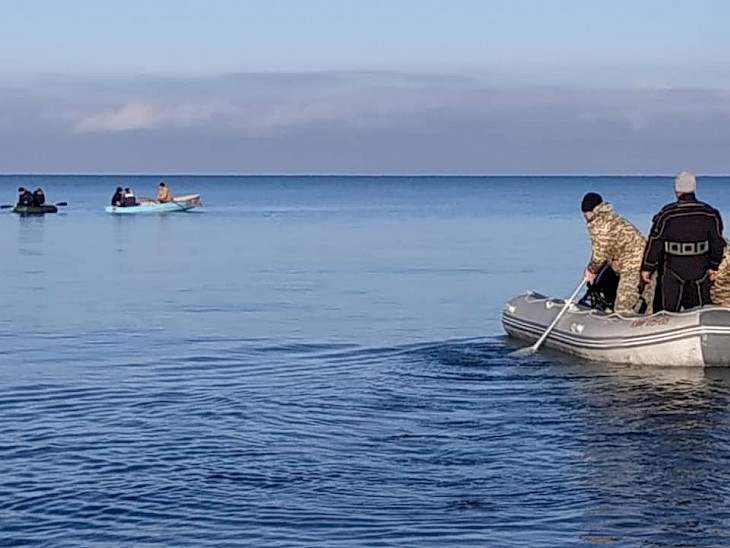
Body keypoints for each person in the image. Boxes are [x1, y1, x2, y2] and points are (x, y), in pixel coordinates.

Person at [641, 171, 725, 312]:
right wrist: (714, 266)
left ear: (677, 191)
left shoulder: (667, 214)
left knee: (668, 311)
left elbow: (655, 242)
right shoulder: (710, 213)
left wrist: (647, 267)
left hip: (673, 266)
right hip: (700, 266)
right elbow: (717, 242)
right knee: (700, 310)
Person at [582, 192, 655, 314]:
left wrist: (591, 270)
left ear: (587, 212)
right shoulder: (612, 218)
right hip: (646, 262)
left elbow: (600, 255)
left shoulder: (598, 224)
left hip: (632, 266)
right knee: (643, 303)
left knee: (622, 308)